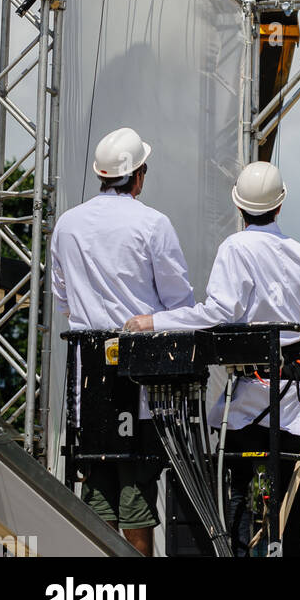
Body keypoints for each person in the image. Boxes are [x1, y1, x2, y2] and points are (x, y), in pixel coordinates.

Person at [125, 161, 300, 557]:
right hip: (295, 386)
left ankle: (237, 554)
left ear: (239, 207)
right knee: (294, 484)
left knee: (237, 481)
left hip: (251, 386)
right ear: (280, 205)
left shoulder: (235, 248)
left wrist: (156, 321)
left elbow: (217, 312)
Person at [51, 125, 194, 556]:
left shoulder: (67, 224)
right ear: (138, 175)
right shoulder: (152, 223)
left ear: (100, 174)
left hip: (87, 379)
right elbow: (180, 303)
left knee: (97, 492)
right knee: (136, 493)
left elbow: (63, 301)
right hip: (138, 378)